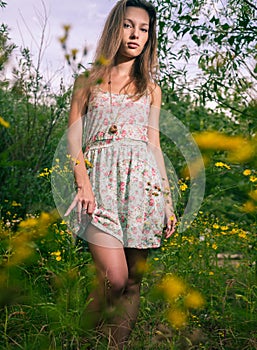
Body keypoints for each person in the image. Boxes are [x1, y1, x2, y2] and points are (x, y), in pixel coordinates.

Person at [65, 0, 177, 348]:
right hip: (98, 186)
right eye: (129, 25)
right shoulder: (87, 80)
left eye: (144, 29)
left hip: (142, 190)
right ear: (115, 27)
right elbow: (73, 138)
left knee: (131, 283)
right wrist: (82, 183)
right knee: (113, 278)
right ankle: (77, 339)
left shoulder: (151, 89)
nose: (136, 34)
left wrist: (168, 202)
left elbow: (154, 145)